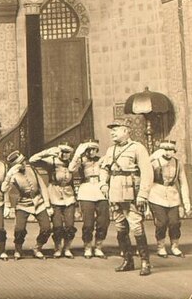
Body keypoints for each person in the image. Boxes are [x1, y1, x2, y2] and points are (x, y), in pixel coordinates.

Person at [100, 118, 154, 276]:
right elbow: (105, 168)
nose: (112, 132)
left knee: (136, 227)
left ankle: (145, 262)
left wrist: (143, 194)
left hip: (132, 193)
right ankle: (128, 260)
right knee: (120, 228)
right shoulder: (111, 150)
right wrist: (103, 184)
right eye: (111, 130)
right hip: (115, 194)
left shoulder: (137, 148)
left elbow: (147, 172)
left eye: (115, 129)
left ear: (126, 130)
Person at [29, 143, 77, 258]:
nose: (65, 155)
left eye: (67, 152)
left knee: (70, 225)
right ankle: (58, 247)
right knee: (57, 225)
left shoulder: (72, 163)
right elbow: (32, 160)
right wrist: (47, 152)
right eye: (63, 151)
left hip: (69, 196)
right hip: (54, 194)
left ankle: (67, 248)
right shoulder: (52, 161)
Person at [3, 151, 52, 260]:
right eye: (19, 163)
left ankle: (37, 248)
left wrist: (48, 205)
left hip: (38, 202)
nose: (23, 164)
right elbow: (5, 190)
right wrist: (7, 205)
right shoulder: (13, 175)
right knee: (19, 229)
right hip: (23, 203)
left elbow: (42, 186)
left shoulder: (33, 169)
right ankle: (18, 249)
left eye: (23, 162)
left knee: (46, 228)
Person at [148, 140, 190, 258]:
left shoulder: (178, 163)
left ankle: (174, 246)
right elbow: (147, 180)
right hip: (156, 194)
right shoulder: (154, 162)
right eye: (165, 149)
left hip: (172, 196)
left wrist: (186, 202)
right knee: (161, 223)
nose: (168, 152)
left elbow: (183, 183)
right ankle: (160, 247)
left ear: (174, 151)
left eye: (170, 150)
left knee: (174, 222)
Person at [70, 140, 109, 259]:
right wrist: (78, 154)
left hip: (100, 190)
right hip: (86, 191)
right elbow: (71, 169)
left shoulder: (102, 160)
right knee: (88, 222)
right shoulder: (80, 161)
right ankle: (87, 246)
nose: (91, 152)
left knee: (103, 221)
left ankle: (98, 247)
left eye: (94, 149)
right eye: (89, 149)